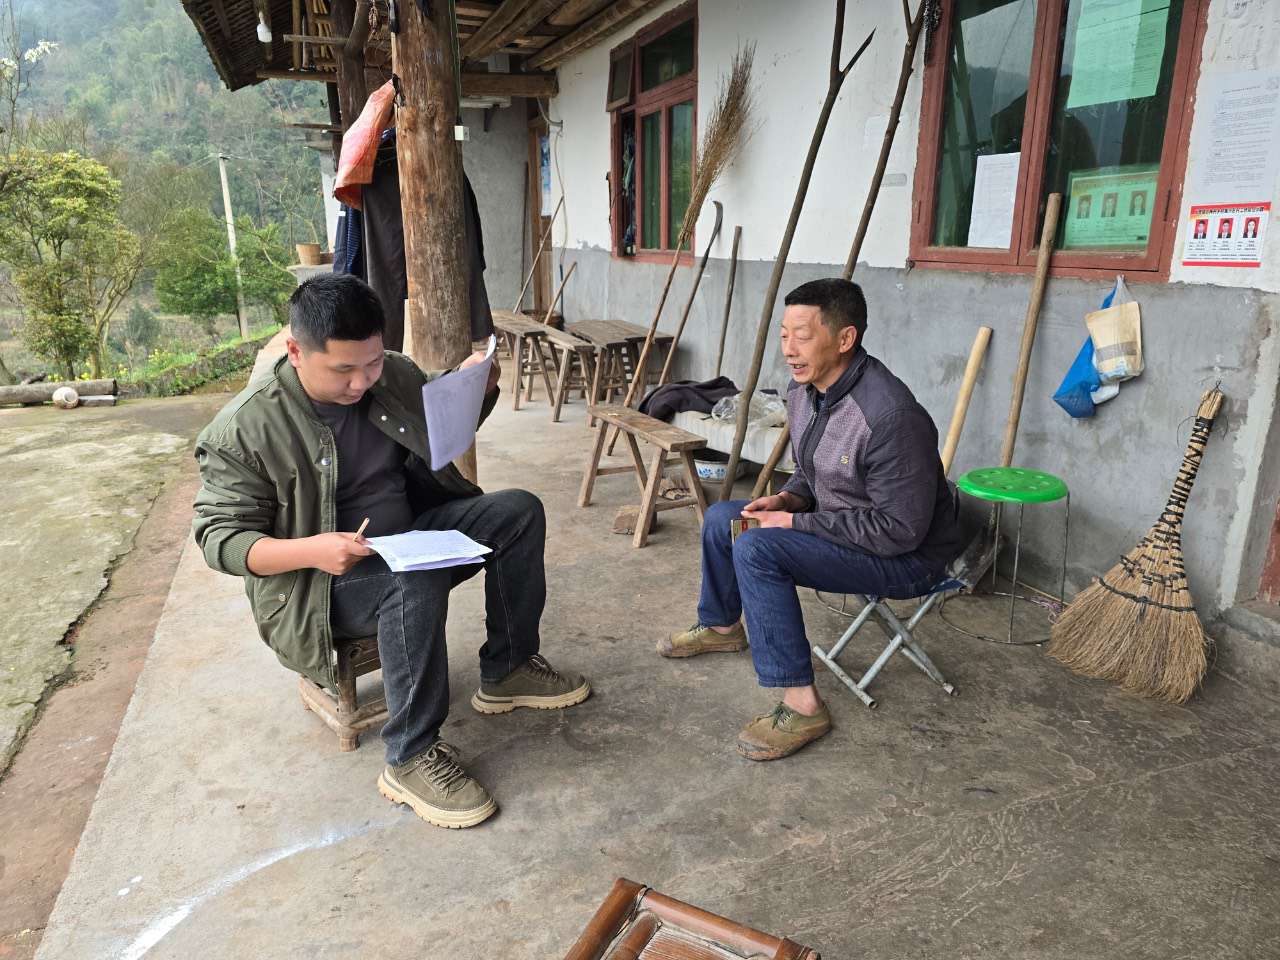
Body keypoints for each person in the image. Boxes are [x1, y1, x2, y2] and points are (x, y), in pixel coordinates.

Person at [192, 274, 590, 830]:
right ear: (296, 351)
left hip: (410, 538)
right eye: (343, 370)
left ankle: (509, 668)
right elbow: (219, 539)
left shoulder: (392, 374)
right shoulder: (244, 429)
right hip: (320, 586)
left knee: (517, 511)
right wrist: (312, 549)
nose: (361, 382)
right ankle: (410, 755)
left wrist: (477, 384)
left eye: (373, 363)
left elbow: (441, 419)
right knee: (412, 578)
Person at [658, 279, 963, 761]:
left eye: (801, 336)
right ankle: (721, 627)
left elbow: (898, 531)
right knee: (724, 518)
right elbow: (810, 470)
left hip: (908, 557)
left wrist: (796, 525)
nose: (789, 349)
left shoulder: (891, 417)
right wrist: (787, 500)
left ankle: (803, 704)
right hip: (842, 526)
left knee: (757, 548)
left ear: (845, 339)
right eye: (784, 335)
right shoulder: (804, 392)